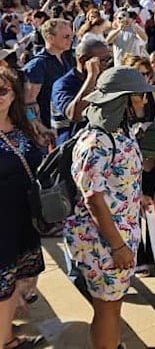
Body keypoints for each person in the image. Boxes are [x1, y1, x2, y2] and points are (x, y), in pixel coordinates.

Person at [64, 67, 155, 349]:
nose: (144, 100)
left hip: (116, 236)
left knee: (113, 305)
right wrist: (118, 246)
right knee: (107, 308)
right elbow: (93, 198)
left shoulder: (117, 133)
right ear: (123, 100)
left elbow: (113, 182)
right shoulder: (97, 142)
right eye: (139, 95)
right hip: (103, 242)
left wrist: (135, 197)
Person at [0, 66, 46, 349]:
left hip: (22, 219)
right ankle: (5, 341)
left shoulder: (22, 127)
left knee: (16, 279)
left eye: (3, 90)